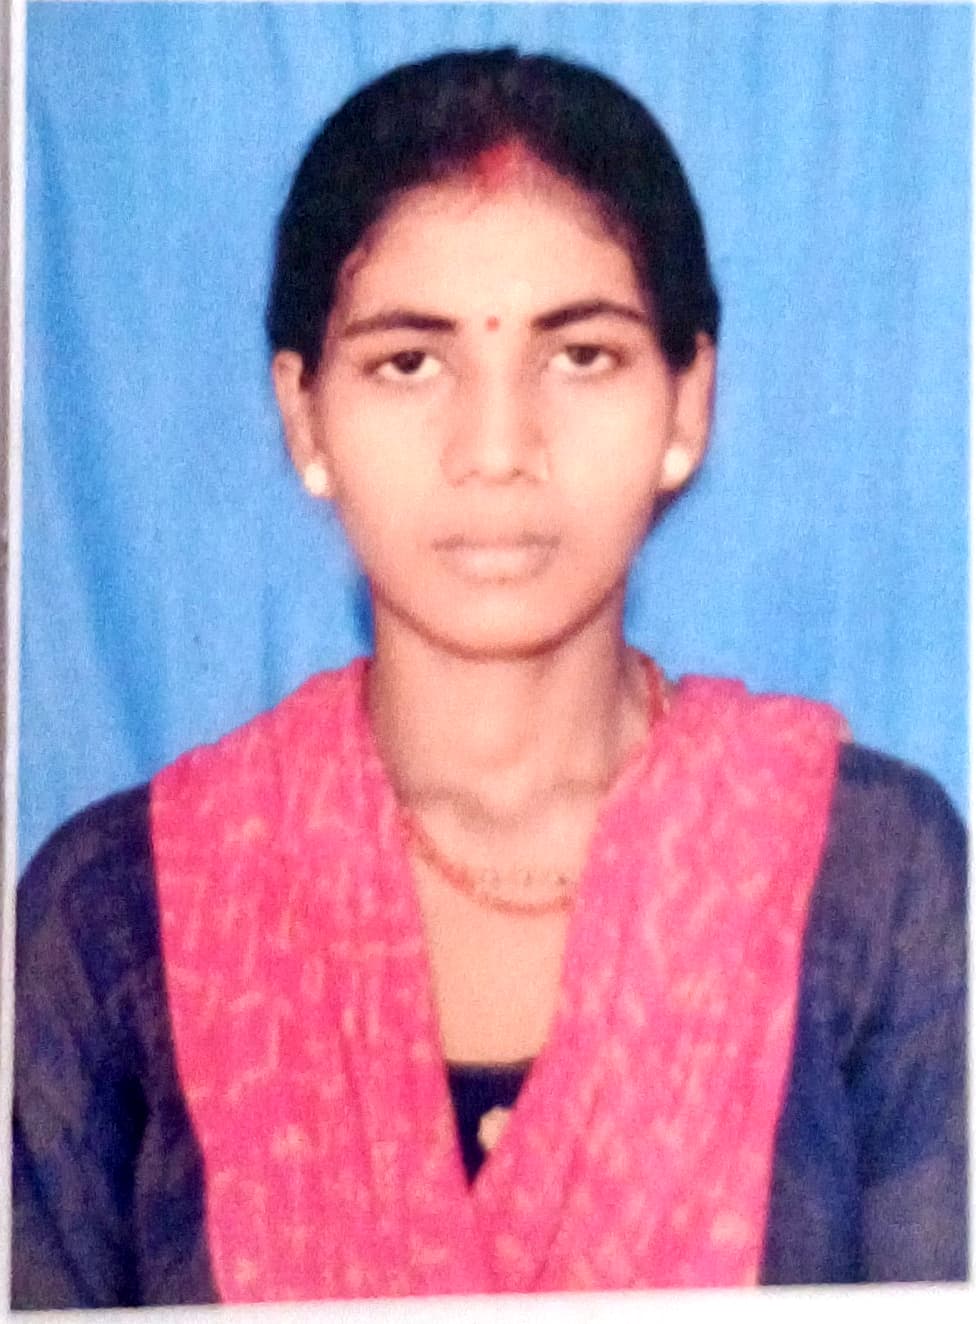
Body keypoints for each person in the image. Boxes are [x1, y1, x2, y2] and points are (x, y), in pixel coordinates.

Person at [11, 47, 966, 1308]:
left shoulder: (866, 876)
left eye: (582, 355)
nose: (497, 449)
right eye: (410, 361)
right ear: (304, 415)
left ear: (687, 402)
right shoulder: (116, 916)